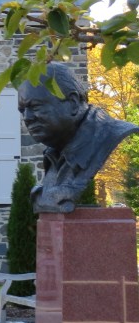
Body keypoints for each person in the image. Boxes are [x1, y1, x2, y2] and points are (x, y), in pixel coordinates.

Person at [17, 62, 139, 213]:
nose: (27, 118)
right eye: (22, 111)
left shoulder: (118, 138)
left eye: (35, 106)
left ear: (73, 103)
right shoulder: (53, 156)